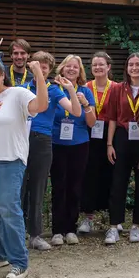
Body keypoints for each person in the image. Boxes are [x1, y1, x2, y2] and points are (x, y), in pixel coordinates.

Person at [0, 58, 48, 278]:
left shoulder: (18, 94)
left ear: (2, 74)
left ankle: (19, 262)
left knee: (8, 210)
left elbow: (41, 106)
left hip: (9, 159)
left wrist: (39, 76)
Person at [25, 51, 80, 251]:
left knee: (38, 189)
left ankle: (36, 235)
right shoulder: (23, 88)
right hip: (21, 140)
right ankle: (16, 234)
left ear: (49, 69)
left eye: (45, 66)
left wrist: (70, 90)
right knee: (18, 189)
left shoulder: (55, 90)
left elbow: (76, 111)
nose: (41, 68)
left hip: (42, 141)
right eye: (37, 65)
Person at [104, 53, 139, 245]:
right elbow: (113, 118)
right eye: (130, 64)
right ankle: (114, 225)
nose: (134, 68)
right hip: (123, 137)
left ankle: (137, 226)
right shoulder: (117, 89)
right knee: (118, 182)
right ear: (126, 68)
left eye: (138, 64)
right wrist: (109, 144)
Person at [50, 55, 96, 246]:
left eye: (75, 67)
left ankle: (71, 228)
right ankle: (57, 231)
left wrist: (85, 103)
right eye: (68, 66)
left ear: (80, 71)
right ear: (62, 69)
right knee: (58, 186)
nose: (71, 69)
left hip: (79, 143)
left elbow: (92, 122)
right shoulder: (54, 89)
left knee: (75, 186)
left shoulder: (85, 91)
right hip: (56, 143)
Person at [79, 52, 116, 235]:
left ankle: (113, 218)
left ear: (108, 67)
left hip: (111, 135)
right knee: (89, 174)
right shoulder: (86, 87)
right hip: (89, 133)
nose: (98, 68)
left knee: (111, 175)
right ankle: (88, 216)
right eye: (94, 65)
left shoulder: (116, 88)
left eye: (101, 64)